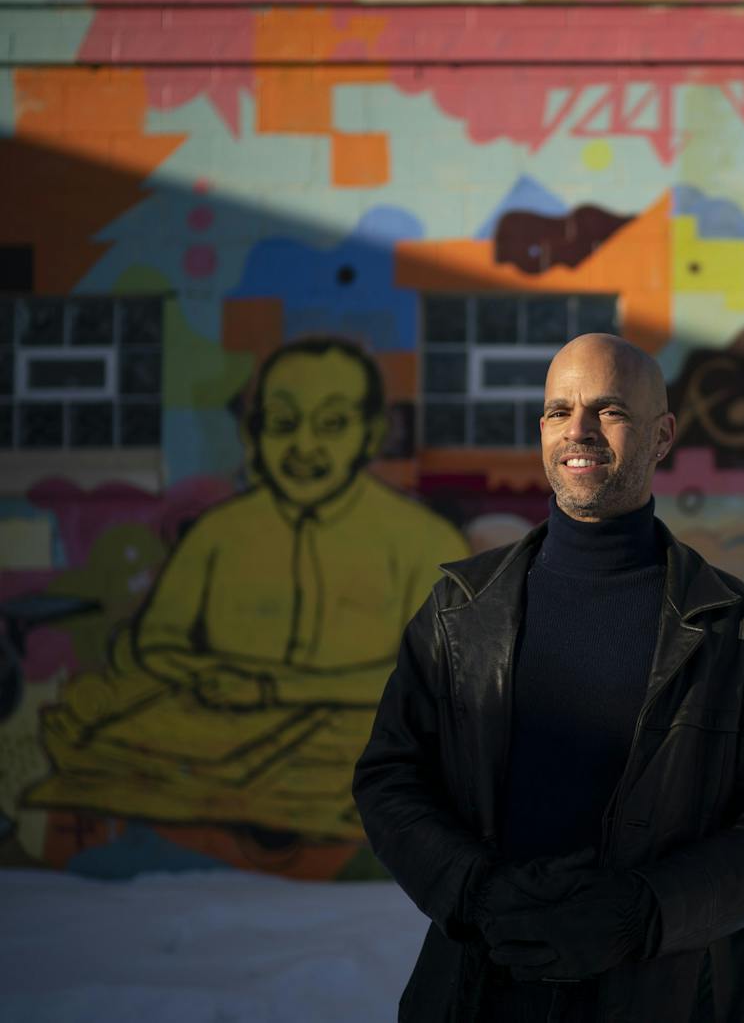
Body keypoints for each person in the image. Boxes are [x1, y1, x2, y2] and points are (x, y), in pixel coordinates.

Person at [353, 333, 744, 1022]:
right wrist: (474, 890)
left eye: (609, 411)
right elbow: (391, 776)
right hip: (478, 986)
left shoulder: (737, 629)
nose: (577, 431)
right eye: (558, 411)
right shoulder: (462, 611)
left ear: (663, 436)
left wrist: (646, 912)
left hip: (663, 994)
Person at [29, 337, 468, 839]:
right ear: (253, 432)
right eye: (283, 424)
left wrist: (270, 690)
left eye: (332, 424)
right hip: (205, 746)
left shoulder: (424, 540)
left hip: (342, 758)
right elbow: (155, 641)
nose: (304, 446)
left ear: (371, 434)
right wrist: (209, 678)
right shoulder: (220, 533)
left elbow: (435, 673)